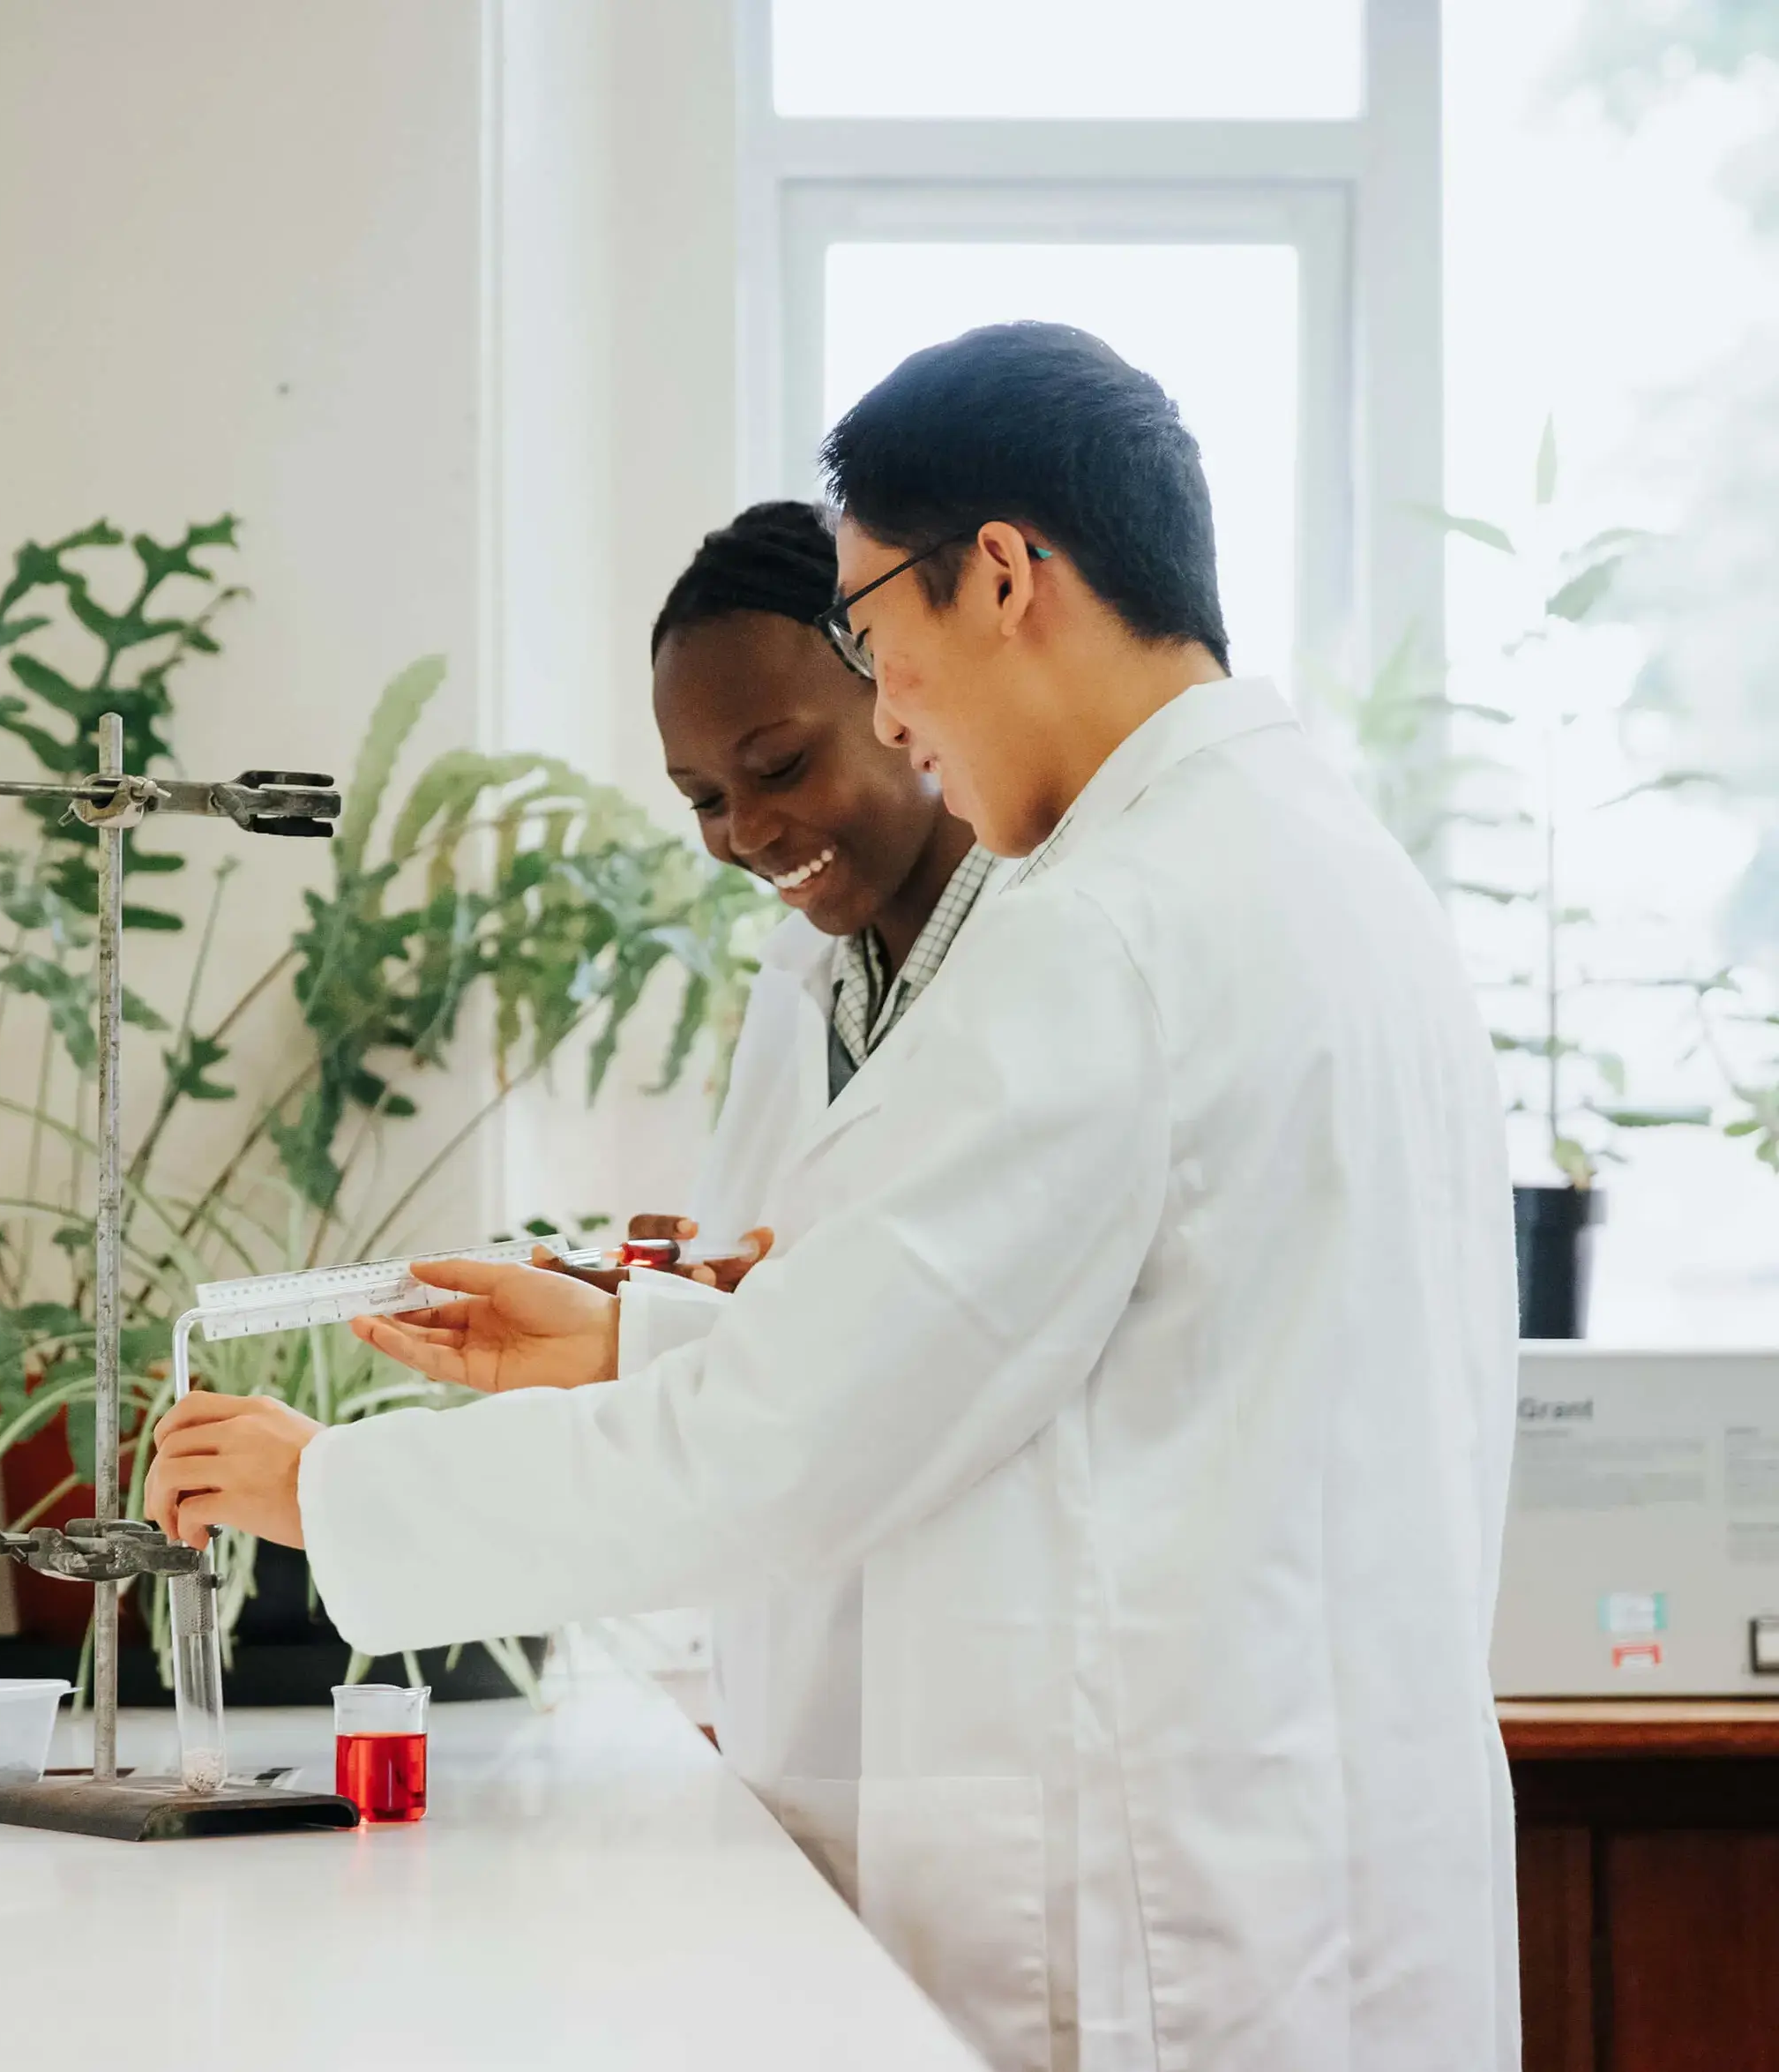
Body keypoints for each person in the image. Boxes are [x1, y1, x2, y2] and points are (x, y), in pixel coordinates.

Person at [148, 322, 1521, 2072]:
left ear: (1003, 576)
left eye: (874, 637)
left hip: (1164, 1935)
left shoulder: (1102, 932)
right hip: (1320, 1888)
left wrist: (326, 1487)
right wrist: (641, 1332)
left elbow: (788, 1441)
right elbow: (1045, 1359)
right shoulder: (1323, 868)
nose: (886, 710)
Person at [620, 498, 998, 1894]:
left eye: (776, 764)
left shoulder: (1034, 968)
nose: (745, 830)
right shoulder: (803, 996)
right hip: (799, 1724)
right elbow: (773, 1327)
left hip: (973, 1738)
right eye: (705, 798)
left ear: (897, 699)